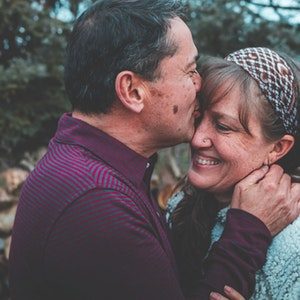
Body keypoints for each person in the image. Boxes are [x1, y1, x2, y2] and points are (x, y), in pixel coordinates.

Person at [8, 0, 299, 298]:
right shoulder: (99, 206)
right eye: (189, 71)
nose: (199, 84)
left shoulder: (90, 172)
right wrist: (247, 234)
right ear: (133, 91)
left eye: (223, 126)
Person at [168, 47, 300, 299]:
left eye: (223, 126)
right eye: (198, 117)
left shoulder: (294, 247)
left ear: (278, 147)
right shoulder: (180, 206)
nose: (197, 138)